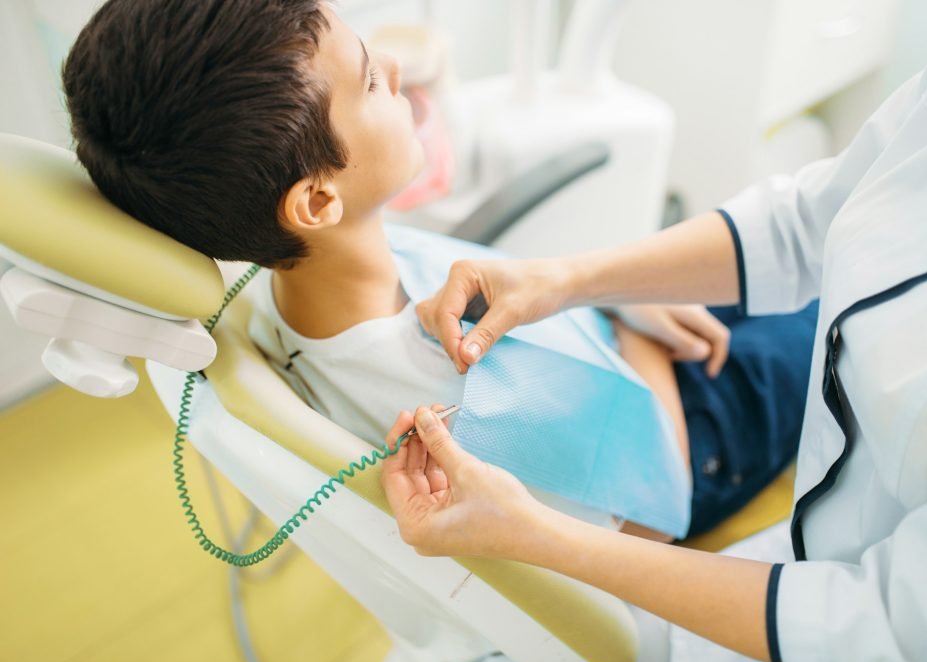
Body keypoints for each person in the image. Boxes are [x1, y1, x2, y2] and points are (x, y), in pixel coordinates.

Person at [384, 1, 927, 662]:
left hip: (862, 611)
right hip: (716, 402)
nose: (395, 66)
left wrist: (621, 312)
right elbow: (811, 216)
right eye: (368, 76)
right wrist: (576, 281)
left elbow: (910, 634)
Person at [62, 0, 818, 540]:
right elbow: (656, 512)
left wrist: (613, 293)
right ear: (318, 199)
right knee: (834, 305)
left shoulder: (285, 286)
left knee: (756, 261)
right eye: (367, 80)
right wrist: (628, 320)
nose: (391, 65)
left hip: (607, 340)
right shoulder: (450, 397)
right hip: (692, 426)